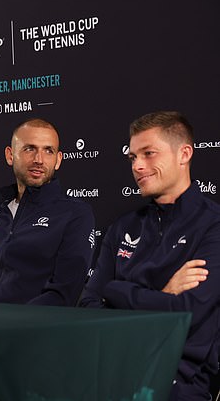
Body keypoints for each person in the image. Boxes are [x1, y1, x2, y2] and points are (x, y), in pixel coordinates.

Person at [80, 111, 220, 400]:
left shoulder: (213, 225)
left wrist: (118, 290)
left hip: (178, 383)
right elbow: (88, 308)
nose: (138, 166)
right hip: (111, 373)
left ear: (184, 154)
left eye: (149, 154)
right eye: (133, 157)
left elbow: (187, 316)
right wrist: (164, 293)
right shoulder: (123, 227)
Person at [0, 118, 95, 305]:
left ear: (58, 160)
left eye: (49, 151)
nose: (39, 160)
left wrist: (9, 323)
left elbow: (64, 292)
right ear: (10, 155)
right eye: (30, 149)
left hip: (30, 330)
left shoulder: (75, 214)